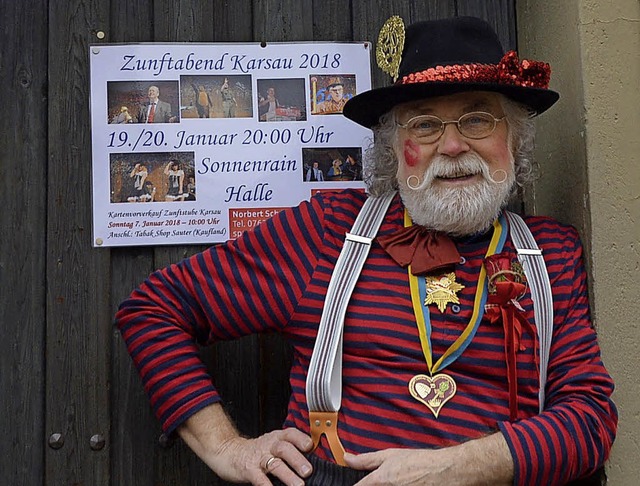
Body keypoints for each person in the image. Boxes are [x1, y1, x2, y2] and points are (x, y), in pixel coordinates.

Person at [115, 16, 617, 486]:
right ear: (395, 147)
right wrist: (225, 446)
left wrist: (453, 468)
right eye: (424, 125)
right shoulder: (328, 230)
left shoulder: (551, 253)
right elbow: (153, 310)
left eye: (477, 120)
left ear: (515, 138)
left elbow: (590, 421)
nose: (453, 146)